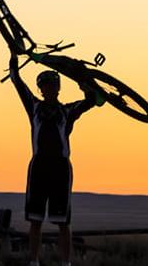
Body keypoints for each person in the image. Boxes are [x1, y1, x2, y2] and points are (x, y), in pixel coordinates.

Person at [8, 54, 99, 266]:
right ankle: (34, 262)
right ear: (41, 89)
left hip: (61, 168)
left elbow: (91, 101)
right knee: (35, 219)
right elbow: (17, 82)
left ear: (58, 88)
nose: (49, 89)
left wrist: (83, 81)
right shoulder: (34, 107)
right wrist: (13, 60)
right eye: (45, 86)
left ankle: (66, 263)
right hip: (39, 166)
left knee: (63, 221)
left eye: (53, 85)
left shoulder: (68, 110)